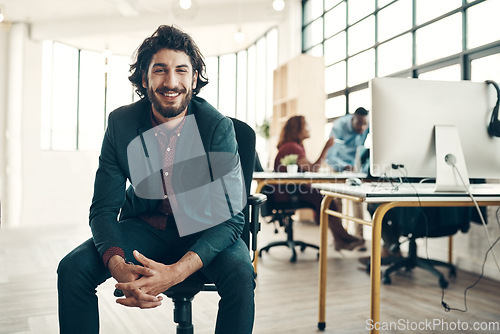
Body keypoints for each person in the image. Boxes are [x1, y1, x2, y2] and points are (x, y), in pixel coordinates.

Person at [57, 25, 255, 334]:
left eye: (181, 71)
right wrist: (118, 266)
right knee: (72, 269)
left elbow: (231, 219)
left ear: (193, 77)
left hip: (204, 229)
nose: (171, 82)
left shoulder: (216, 127)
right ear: (145, 78)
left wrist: (176, 272)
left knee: (241, 274)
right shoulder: (121, 124)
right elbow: (103, 210)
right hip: (147, 226)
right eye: (160, 70)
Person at [273, 115, 364, 251]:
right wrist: (326, 148)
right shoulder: (292, 147)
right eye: (306, 125)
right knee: (325, 198)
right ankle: (343, 238)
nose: (309, 129)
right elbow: (313, 169)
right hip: (286, 193)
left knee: (325, 197)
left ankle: (340, 239)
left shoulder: (295, 146)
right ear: (298, 129)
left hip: (291, 190)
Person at [326, 107, 370, 244]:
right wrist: (345, 166)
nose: (362, 128)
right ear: (352, 119)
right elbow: (330, 155)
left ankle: (359, 237)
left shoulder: (367, 125)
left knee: (358, 200)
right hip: (338, 165)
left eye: (365, 125)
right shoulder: (339, 126)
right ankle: (340, 237)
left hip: (355, 167)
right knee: (336, 200)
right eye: (359, 124)